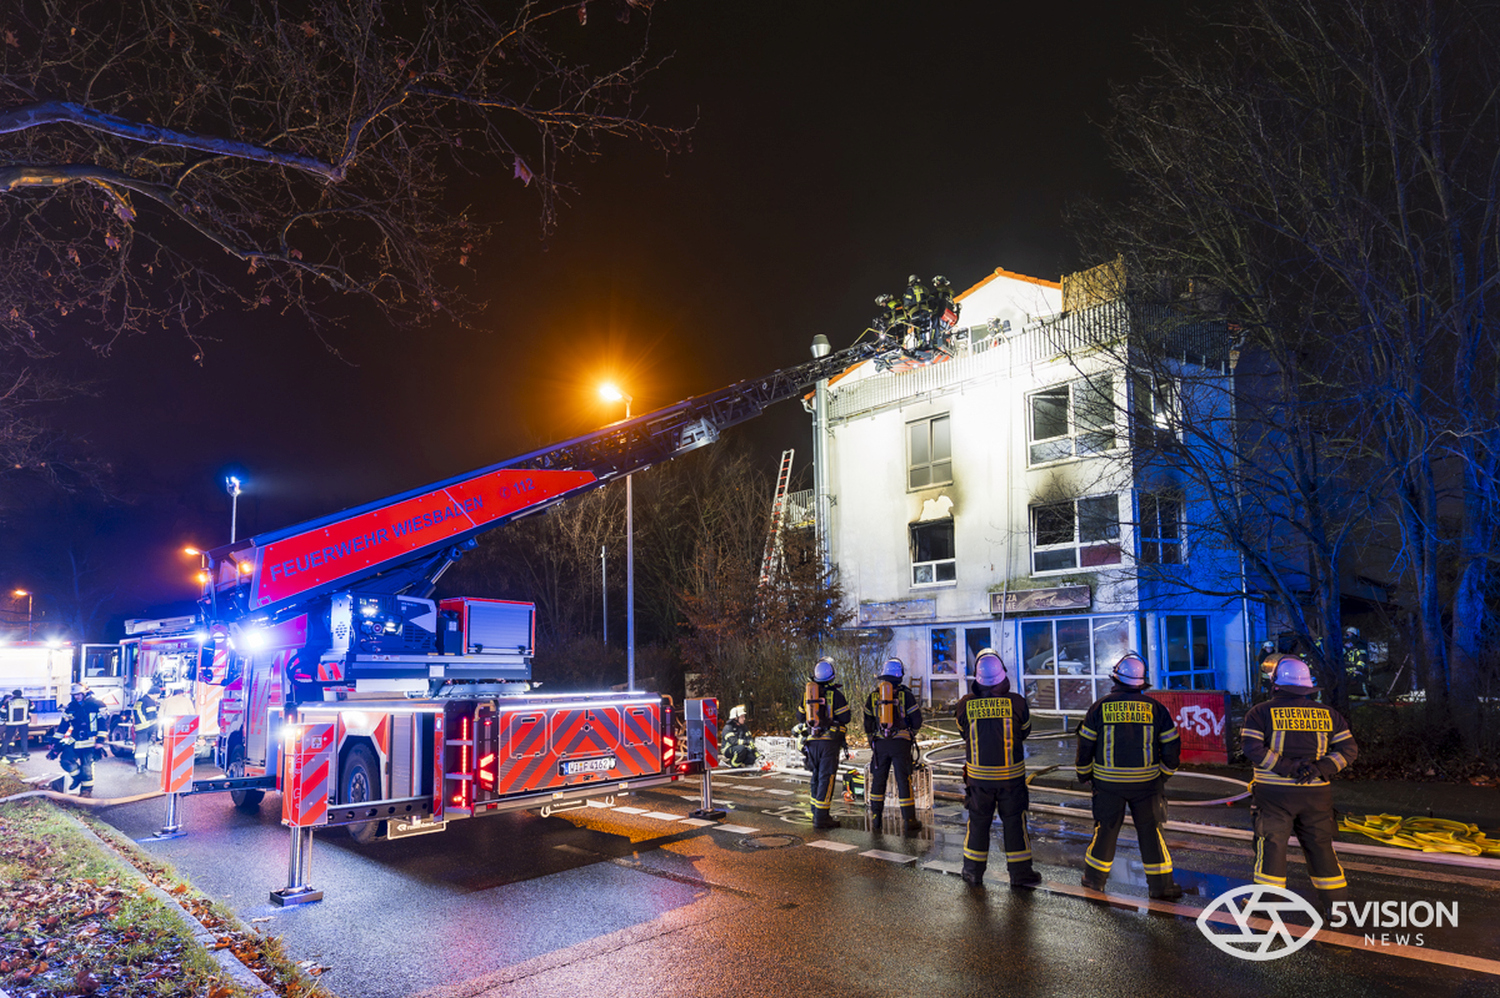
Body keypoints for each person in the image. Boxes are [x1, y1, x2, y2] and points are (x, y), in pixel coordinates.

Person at [1241, 656, 1358, 911]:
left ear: (1275, 684)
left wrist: (1287, 768)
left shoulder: (1260, 712)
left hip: (1274, 796)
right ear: (1307, 687)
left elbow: (1252, 748)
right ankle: (1336, 905)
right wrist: (1318, 768)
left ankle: (1266, 904)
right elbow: (1348, 750)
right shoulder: (1329, 714)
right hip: (1316, 795)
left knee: (1271, 846)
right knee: (1321, 847)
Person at [1075, 653, 1184, 899]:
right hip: (1147, 785)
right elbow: (1172, 746)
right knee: (1151, 833)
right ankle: (1161, 887)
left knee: (1105, 830)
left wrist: (1084, 774)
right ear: (1141, 682)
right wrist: (1163, 775)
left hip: (1108, 785)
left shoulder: (1099, 707)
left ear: (1116, 679)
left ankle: (1094, 881)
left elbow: (1086, 745)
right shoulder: (1156, 708)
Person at [955, 650, 1041, 889]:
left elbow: (964, 734)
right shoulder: (1017, 702)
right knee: (1015, 825)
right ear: (1003, 675)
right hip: (1011, 780)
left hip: (978, 781)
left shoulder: (965, 705)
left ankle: (972, 872)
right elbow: (1024, 732)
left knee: (978, 824)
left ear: (977, 678)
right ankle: (1021, 875)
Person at [862, 657, 924, 835]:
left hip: (881, 745)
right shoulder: (906, 695)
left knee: (878, 781)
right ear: (900, 676)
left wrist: (872, 740)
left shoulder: (874, 696)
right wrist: (910, 734)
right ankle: (909, 820)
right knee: (903, 781)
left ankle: (876, 819)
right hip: (901, 745)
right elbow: (917, 720)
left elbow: (867, 722)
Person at [803, 657, 850, 829]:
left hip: (811, 743)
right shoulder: (836, 695)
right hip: (829, 744)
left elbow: (800, 717)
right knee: (826, 778)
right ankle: (822, 818)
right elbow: (846, 717)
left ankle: (816, 812)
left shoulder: (808, 695)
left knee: (815, 777)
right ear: (831, 676)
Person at [56, 683, 106, 797]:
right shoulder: (71, 707)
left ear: (85, 693)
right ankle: (77, 778)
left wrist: (100, 741)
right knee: (65, 761)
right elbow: (63, 726)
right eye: (74, 695)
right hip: (75, 740)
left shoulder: (97, 705)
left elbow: (102, 724)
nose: (76, 697)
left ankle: (86, 793)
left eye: (78, 694)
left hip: (90, 741)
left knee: (86, 768)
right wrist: (55, 741)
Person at [133, 682, 162, 775]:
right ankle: (140, 767)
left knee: (141, 747)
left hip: (139, 727)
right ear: (155, 693)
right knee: (142, 747)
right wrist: (157, 723)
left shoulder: (141, 700)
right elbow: (151, 716)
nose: (158, 697)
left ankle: (140, 765)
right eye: (158, 695)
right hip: (146, 727)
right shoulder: (150, 702)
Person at [722, 703, 758, 769]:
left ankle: (745, 765)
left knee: (751, 756)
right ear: (736, 718)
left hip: (742, 748)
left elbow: (749, 739)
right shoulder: (728, 728)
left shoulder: (744, 727)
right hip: (728, 749)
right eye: (742, 717)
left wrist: (756, 753)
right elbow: (733, 742)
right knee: (741, 749)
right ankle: (734, 765)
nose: (744, 719)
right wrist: (746, 742)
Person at [2, 688, 30, 761]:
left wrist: (4, 717)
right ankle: (25, 752)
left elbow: (2, 711)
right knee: (24, 738)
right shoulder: (27, 701)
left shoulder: (9, 702)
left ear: (13, 695)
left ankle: (2, 753)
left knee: (7, 738)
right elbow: (33, 708)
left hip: (11, 724)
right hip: (24, 723)